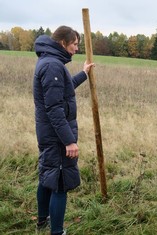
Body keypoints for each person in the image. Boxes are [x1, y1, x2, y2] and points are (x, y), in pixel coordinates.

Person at [33, 25, 94, 235]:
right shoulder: (52, 66)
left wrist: (84, 74)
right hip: (57, 136)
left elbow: (64, 90)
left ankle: (42, 221)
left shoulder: (51, 62)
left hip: (50, 133)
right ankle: (57, 231)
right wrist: (69, 141)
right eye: (75, 44)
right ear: (62, 43)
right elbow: (54, 109)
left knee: (47, 176)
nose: (77, 48)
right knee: (59, 182)